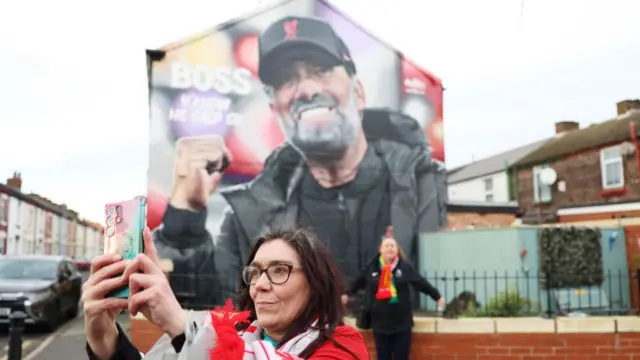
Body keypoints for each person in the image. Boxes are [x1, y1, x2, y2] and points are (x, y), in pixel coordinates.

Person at [153, 15, 448, 306]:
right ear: (276, 109)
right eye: (286, 80)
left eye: (321, 70)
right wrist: (185, 218)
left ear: (358, 93)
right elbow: (209, 310)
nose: (305, 90)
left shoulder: (427, 187)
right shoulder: (248, 217)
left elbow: (446, 290)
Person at [83, 227, 369, 359]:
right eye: (254, 272)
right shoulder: (233, 329)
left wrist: (180, 324)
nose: (261, 284)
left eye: (279, 270)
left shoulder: (343, 345)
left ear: (316, 282)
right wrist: (105, 340)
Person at [348, 229, 444, 360]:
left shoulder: (404, 267)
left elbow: (420, 283)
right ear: (380, 249)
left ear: (397, 249)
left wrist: (437, 296)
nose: (390, 248)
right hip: (380, 324)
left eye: (392, 246)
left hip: (401, 324)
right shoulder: (373, 267)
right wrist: (346, 293)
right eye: (386, 246)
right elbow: (359, 281)